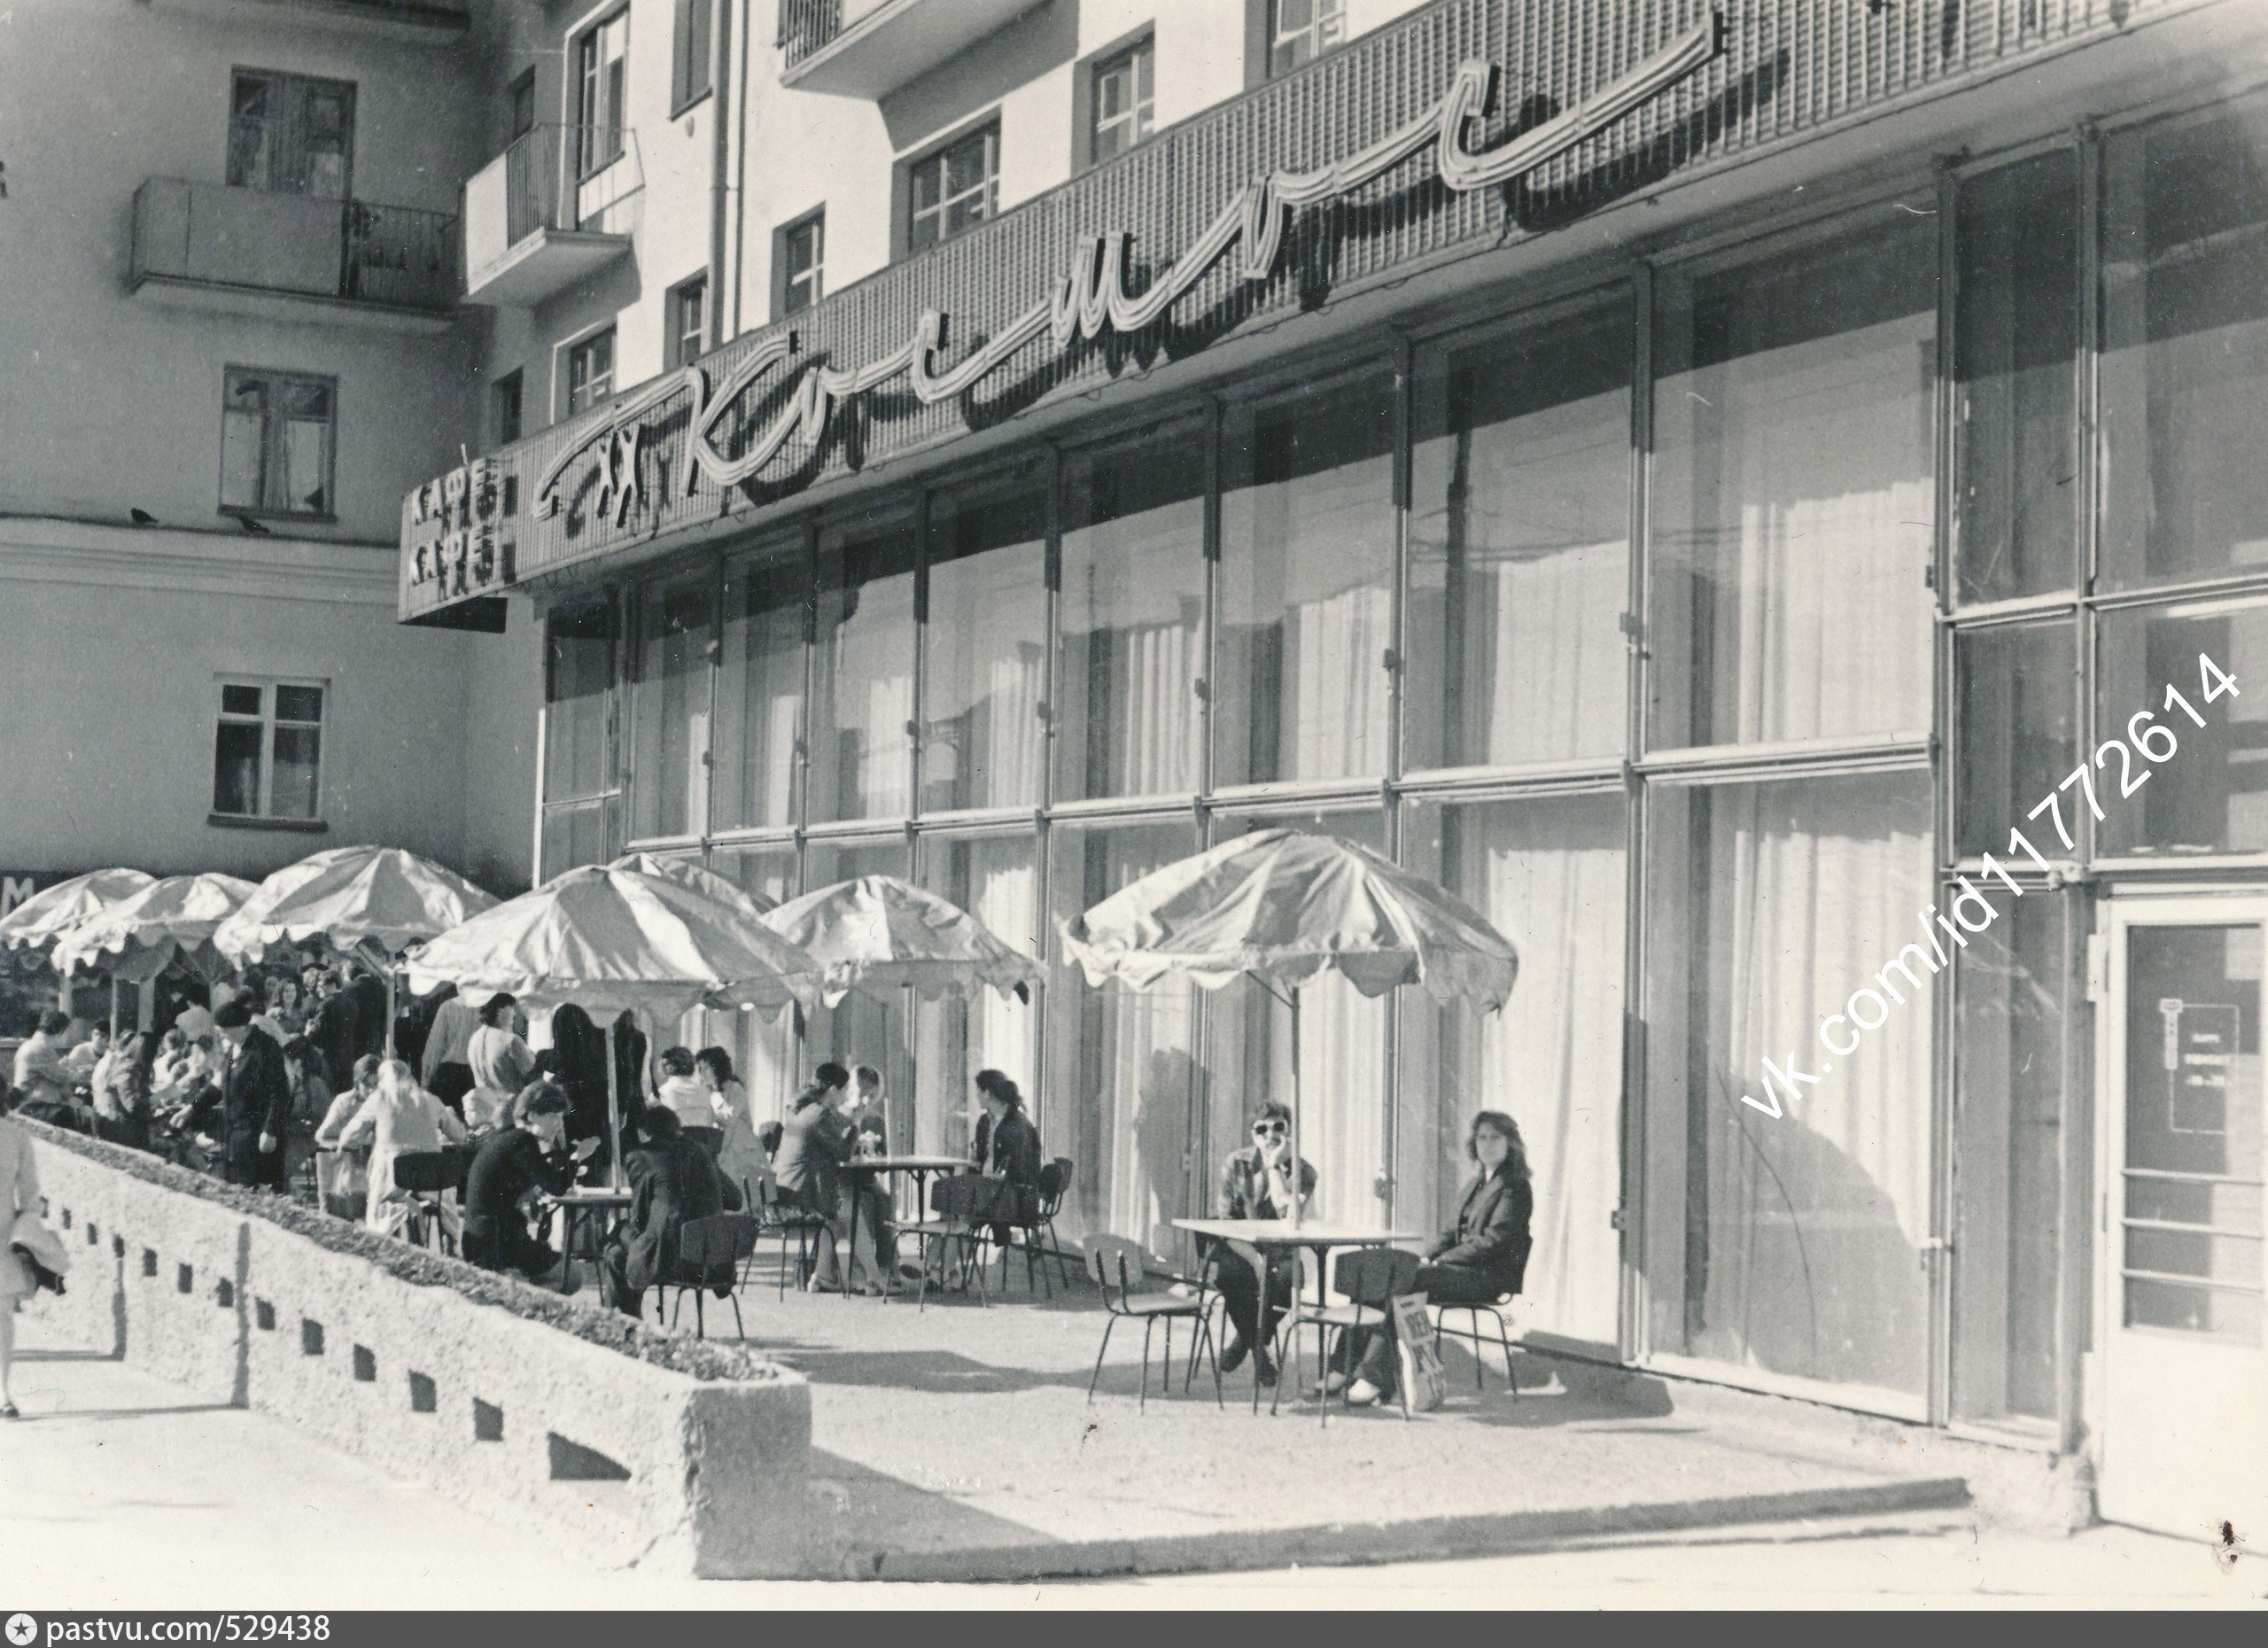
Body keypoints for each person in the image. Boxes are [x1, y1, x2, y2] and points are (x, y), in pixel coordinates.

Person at [1330, 1110, 1534, 1407]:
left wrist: (1441, 1261)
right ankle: (1344, 1367)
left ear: (1510, 1143)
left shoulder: (1515, 1187)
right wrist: (1425, 1258)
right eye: (1482, 1137)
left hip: (1486, 1277)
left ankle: (1373, 1378)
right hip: (1457, 1270)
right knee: (1385, 1275)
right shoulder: (1476, 1183)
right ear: (1474, 1143)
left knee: (1402, 1283)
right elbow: (1449, 1233)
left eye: (1496, 1137)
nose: (1488, 1144)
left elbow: (1494, 1241)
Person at [1204, 1101, 1317, 1389]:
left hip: (1279, 1249)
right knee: (1231, 1277)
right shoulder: (1236, 1163)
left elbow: (1289, 1214)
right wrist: (1255, 1259)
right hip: (1238, 1246)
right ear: (1252, 1134)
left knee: (1289, 1279)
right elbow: (1225, 1222)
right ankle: (1260, 1354)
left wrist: (1274, 1166)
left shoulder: (1304, 1171)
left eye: (1278, 1127)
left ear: (1289, 1131)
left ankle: (1242, 1344)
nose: (1270, 1135)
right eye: (1262, 1129)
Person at [602, 1105, 744, 1318]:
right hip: (710, 1261)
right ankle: (627, 1318)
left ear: (645, 1133)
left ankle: (624, 1321)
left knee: (616, 1248)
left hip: (669, 1260)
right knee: (626, 1250)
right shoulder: (701, 1153)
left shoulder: (640, 1156)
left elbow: (639, 1219)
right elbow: (735, 1200)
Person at [462, 1082, 593, 1287]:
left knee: (563, 1273)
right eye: (553, 1116)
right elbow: (557, 1186)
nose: (559, 1124)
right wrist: (578, 1158)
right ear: (532, 1115)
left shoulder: (507, 1136)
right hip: (497, 1242)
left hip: (482, 1238)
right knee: (571, 1276)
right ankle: (526, 1299)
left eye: (560, 1117)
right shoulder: (523, 1141)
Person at [334, 1059, 468, 1238]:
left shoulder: (379, 1098)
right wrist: (449, 1115)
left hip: (392, 1182)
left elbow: (350, 1137)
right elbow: (459, 1134)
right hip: (431, 1184)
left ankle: (383, 1234)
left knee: (381, 1170)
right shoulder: (429, 1099)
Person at [773, 1063, 870, 1293]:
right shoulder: (820, 1114)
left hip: (786, 1191)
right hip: (799, 1199)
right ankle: (874, 1277)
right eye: (845, 1090)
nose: (846, 1096)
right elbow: (844, 1153)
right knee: (852, 1211)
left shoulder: (803, 1109)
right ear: (833, 1090)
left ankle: (825, 1274)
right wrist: (857, 1123)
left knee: (845, 1213)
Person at [180, 999, 295, 1191]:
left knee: (260, 1192)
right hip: (236, 1135)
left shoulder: (265, 1048)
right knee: (237, 1189)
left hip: (259, 1135)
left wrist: (270, 1130)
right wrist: (192, 1107)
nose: (221, 1035)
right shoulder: (233, 1049)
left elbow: (279, 1092)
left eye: (224, 1031)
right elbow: (218, 1085)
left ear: (241, 1027)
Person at [2, 1086, 44, 1418]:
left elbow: (29, 1195)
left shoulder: (15, 1137)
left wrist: (25, 1236)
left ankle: (2, 1391)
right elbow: (30, 1198)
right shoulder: (16, 1136)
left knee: (1, 1315)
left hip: (1, 1237)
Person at [969, 1069, 1042, 1262]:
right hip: (991, 1190)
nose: (976, 1096)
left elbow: (1020, 1170)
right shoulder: (985, 1121)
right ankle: (943, 1270)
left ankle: (940, 1270)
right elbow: (979, 1158)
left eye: (978, 1092)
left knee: (956, 1206)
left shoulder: (1017, 1124)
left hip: (1012, 1197)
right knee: (953, 1203)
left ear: (987, 1093)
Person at [313, 1054, 380, 1219]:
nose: (372, 1091)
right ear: (357, 1082)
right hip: (349, 1165)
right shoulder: (344, 1101)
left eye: (376, 1085)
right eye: (367, 1085)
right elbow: (322, 1134)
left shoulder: (385, 1102)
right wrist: (355, 1136)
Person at [464, 992, 536, 1133]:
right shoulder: (511, 1040)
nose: (514, 1014)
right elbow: (531, 1074)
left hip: (483, 1113)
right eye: (512, 1008)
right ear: (500, 1010)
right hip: (510, 1115)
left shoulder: (474, 1039)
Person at [698, 1046, 765, 1193]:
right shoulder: (708, 1093)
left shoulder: (735, 1088)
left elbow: (730, 1121)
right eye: (700, 1068)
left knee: (743, 1187)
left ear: (717, 1068)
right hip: (720, 1140)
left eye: (706, 1068)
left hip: (739, 1143)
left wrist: (721, 1151)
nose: (702, 1072)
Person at [278, 1036, 333, 1195]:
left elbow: (322, 1121)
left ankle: (288, 1193)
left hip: (308, 1138)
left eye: (286, 1062)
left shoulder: (316, 1085)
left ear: (297, 1063)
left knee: (279, 1166)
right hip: (295, 1134)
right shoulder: (296, 1082)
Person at [421, 987, 478, 1120]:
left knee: (446, 1121)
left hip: (450, 1074)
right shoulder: (489, 1008)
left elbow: (435, 1047)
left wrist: (425, 1081)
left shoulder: (448, 1006)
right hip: (476, 1074)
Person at [653, 1046, 719, 1157]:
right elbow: (710, 1120)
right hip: (703, 1151)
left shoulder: (663, 1092)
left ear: (668, 1067)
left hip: (675, 1151)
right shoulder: (704, 1091)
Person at [93, 1031, 154, 1152]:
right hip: (115, 1124)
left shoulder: (127, 1065)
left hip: (115, 1119)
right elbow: (132, 1106)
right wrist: (157, 1098)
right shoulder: (126, 1069)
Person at [308, 970, 361, 1093]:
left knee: (330, 1092)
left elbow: (317, 1034)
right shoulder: (351, 1002)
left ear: (332, 985)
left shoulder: (325, 1005)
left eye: (321, 985)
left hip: (331, 1059)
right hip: (348, 1056)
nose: (318, 989)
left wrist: (309, 1030)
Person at [12, 1011, 72, 1108]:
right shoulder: (43, 1048)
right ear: (60, 1031)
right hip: (34, 1104)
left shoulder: (28, 1044)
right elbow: (62, 1077)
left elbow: (46, 1070)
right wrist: (76, 1070)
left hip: (28, 1099)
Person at [847, 1064, 889, 1154]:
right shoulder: (840, 1116)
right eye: (860, 1094)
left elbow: (884, 1154)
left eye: (871, 1096)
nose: (865, 1100)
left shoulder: (878, 1121)